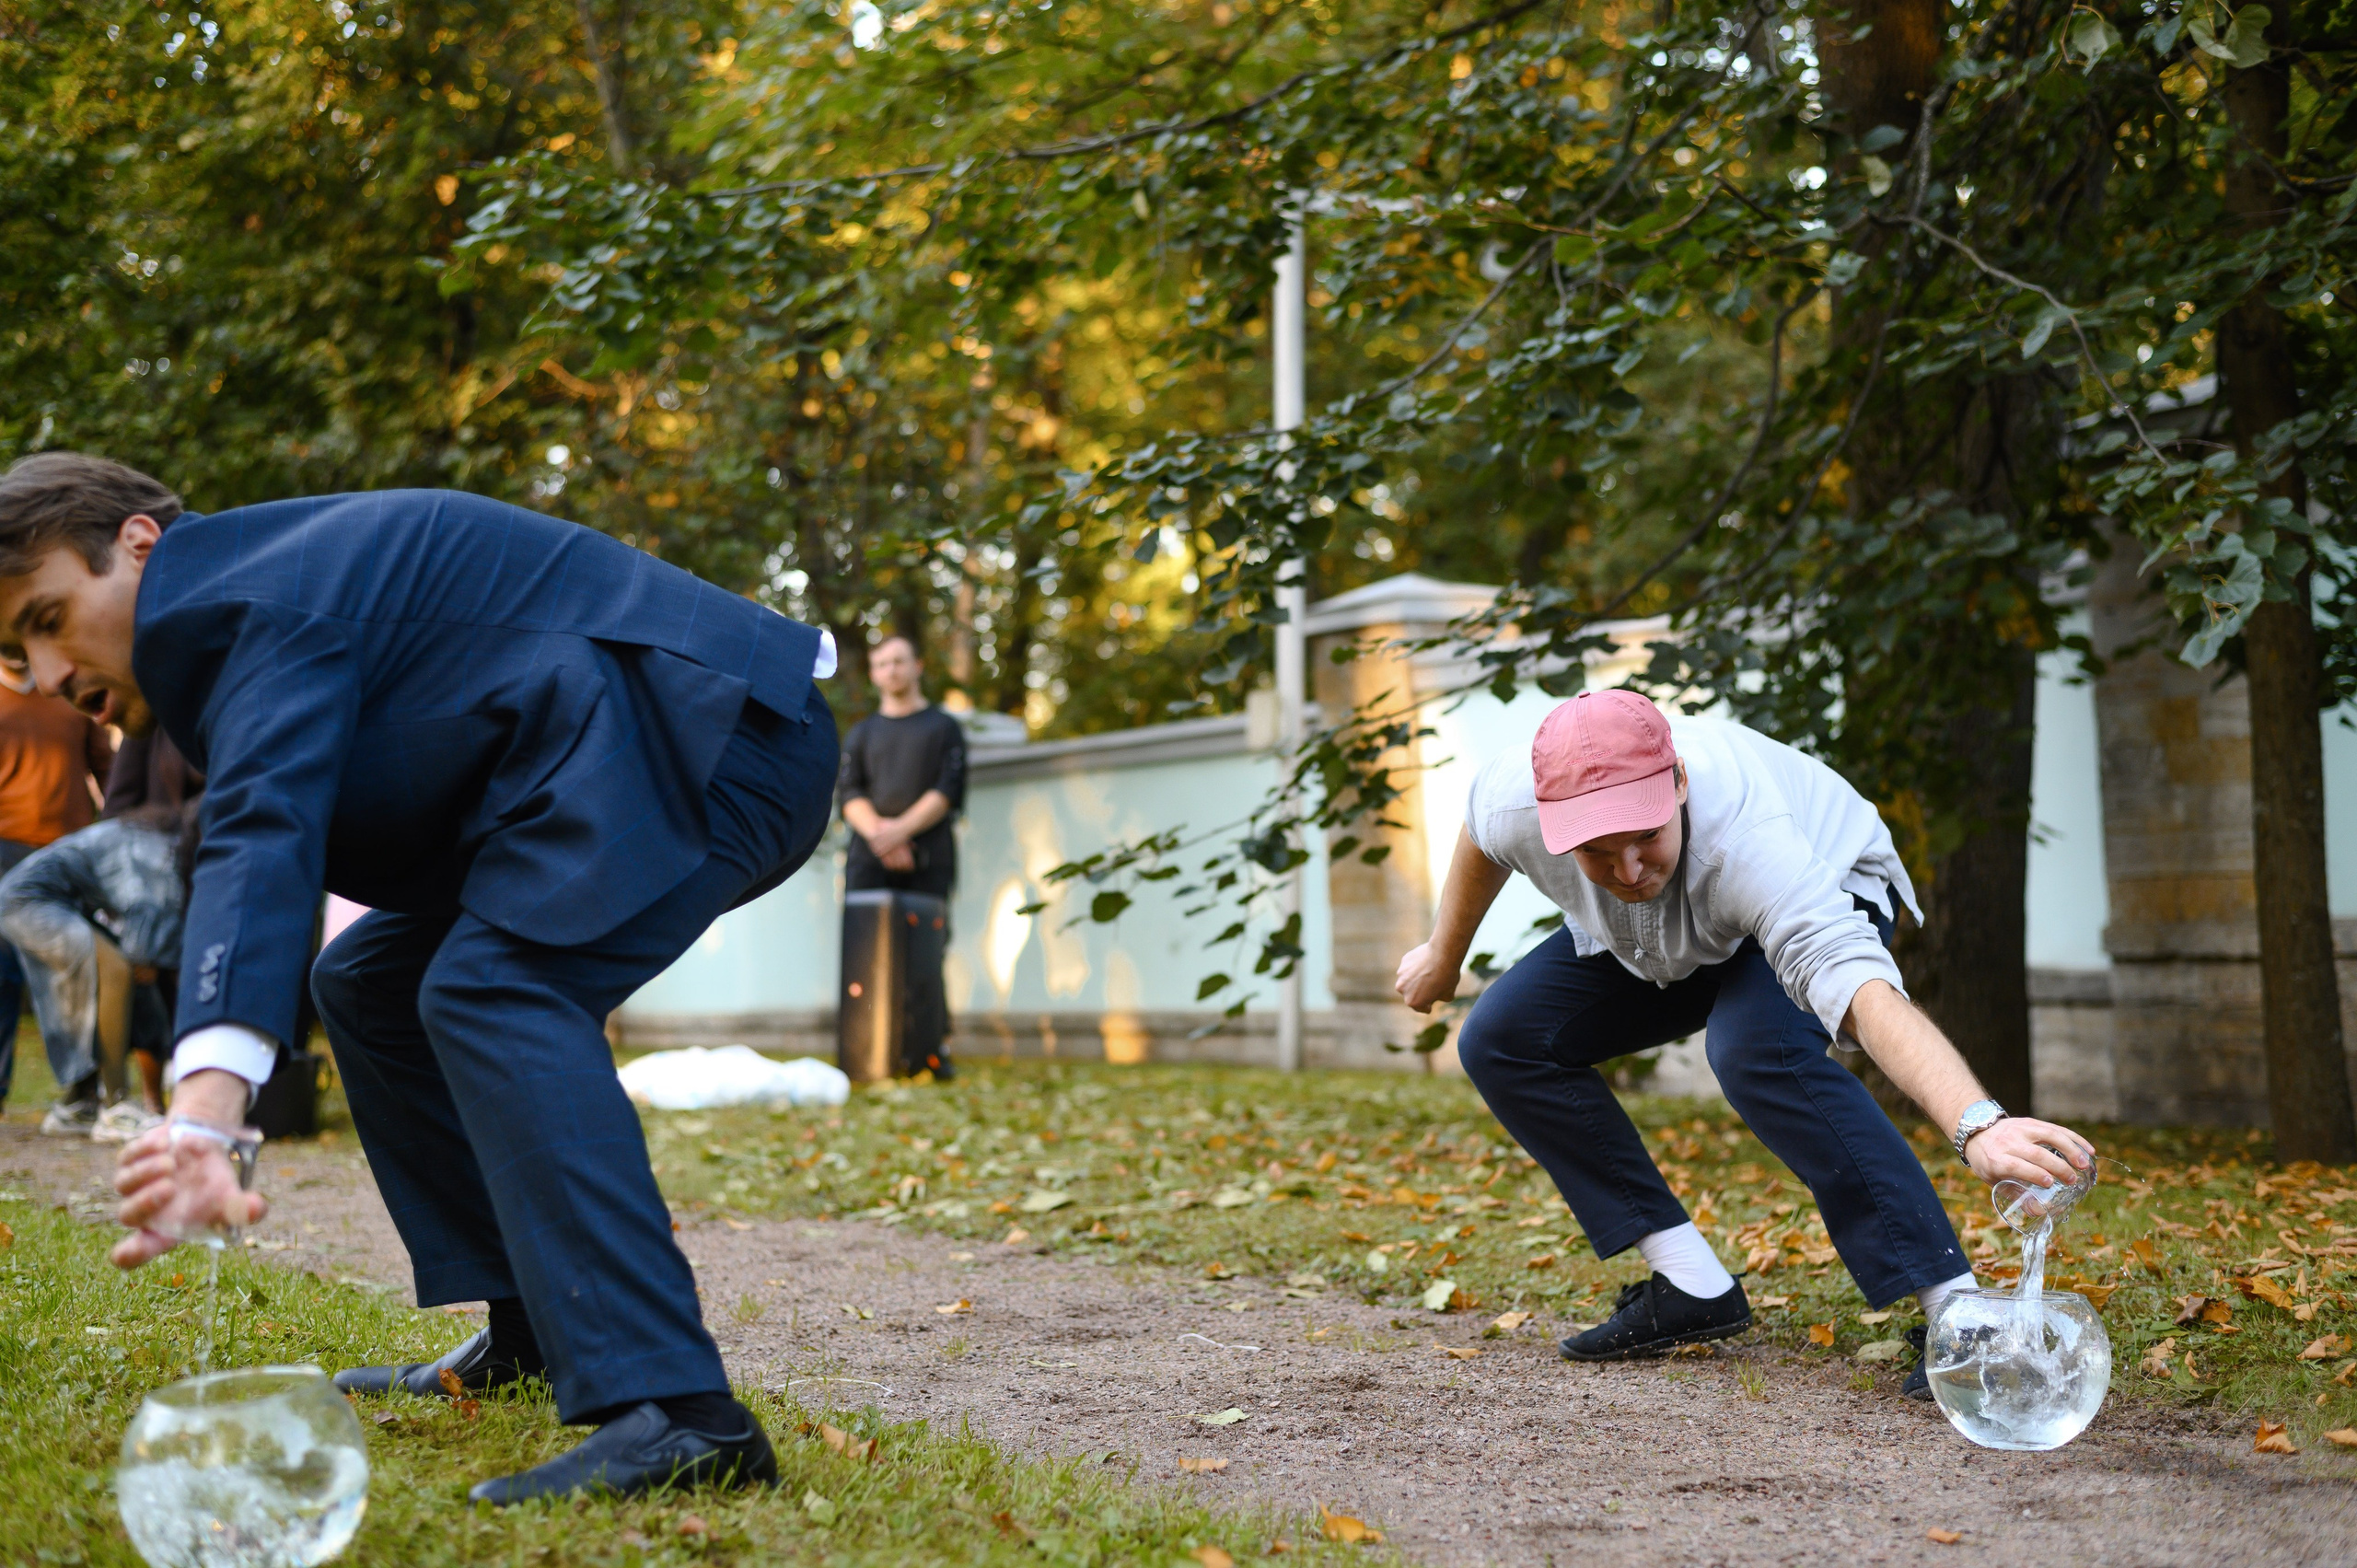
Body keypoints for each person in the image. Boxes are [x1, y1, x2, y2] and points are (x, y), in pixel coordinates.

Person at [0, 453, 839, 1504]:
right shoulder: (247, 590)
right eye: (12, 650)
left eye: (46, 616)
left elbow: (263, 833)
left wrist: (204, 1120)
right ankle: (533, 1330)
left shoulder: (235, 595)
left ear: (137, 545)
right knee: (373, 982)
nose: (39, 675)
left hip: (715, 733)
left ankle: (680, 1411)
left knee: (495, 985)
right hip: (583, 771)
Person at [1395, 689, 2093, 1397]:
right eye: (1599, 854)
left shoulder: (1751, 840)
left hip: (1828, 880)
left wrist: (1976, 1122)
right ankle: (1691, 1285)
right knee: (1502, 1037)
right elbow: (1480, 838)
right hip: (1668, 936)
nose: (1629, 869)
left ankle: (1958, 1316)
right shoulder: (1517, 800)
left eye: (1646, 837)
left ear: (1679, 784)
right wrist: (1443, 954)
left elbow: (1855, 987)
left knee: (1755, 1048)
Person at [0, 803, 194, 1143]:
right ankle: (116, 1106)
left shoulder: (158, 838)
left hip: (53, 902)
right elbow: (143, 957)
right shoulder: (159, 855)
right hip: (26, 901)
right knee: (117, 971)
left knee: (104, 982)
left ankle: (77, 1106)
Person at [837, 635, 967, 1076]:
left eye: (898, 661)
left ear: (917, 666)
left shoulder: (944, 728)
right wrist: (881, 836)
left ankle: (929, 1052)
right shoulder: (862, 733)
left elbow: (947, 792)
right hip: (868, 858)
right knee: (865, 953)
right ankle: (864, 1049)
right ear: (873, 674)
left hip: (928, 856)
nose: (890, 670)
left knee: (927, 953)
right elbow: (850, 794)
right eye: (881, 664)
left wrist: (901, 833)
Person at [0, 656, 115, 1128]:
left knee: (73, 968)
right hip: (4, 847)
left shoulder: (66, 691)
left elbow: (109, 770)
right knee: (4, 977)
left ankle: (82, 1089)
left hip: (67, 852)